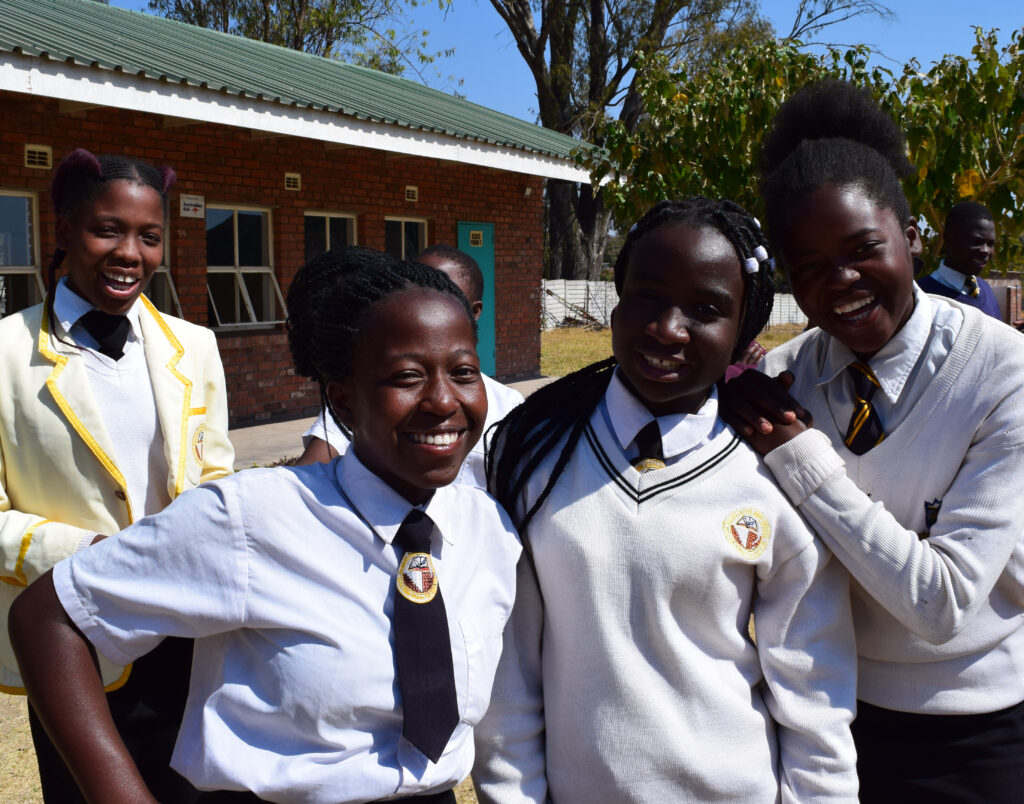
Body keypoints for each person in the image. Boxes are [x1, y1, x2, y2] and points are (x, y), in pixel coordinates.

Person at [10, 252, 521, 803]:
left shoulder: (488, 530)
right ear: (344, 402)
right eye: (406, 377)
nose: (444, 400)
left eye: (463, 372)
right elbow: (50, 617)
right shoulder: (252, 518)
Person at [473, 198, 858, 803]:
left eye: (706, 310)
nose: (666, 328)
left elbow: (814, 689)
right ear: (618, 299)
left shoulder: (772, 472)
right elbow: (509, 675)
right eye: (647, 296)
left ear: (743, 328)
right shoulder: (535, 458)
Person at [723, 80, 1024, 801]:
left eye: (864, 249)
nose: (844, 282)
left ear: (913, 237)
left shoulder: (1000, 372)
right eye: (813, 268)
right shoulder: (785, 379)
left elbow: (941, 604)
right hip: (827, 719)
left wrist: (803, 461)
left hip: (975, 732)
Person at [0, 148, 234, 802]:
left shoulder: (195, 347)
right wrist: (95, 556)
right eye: (108, 229)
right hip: (73, 640)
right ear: (65, 231)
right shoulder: (5, 355)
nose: (130, 252)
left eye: (149, 236)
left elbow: (216, 477)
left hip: (187, 635)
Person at [297, 244, 524, 489]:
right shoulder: (369, 400)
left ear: (474, 312)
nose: (443, 402)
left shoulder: (508, 408)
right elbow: (305, 481)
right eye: (408, 376)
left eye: (446, 291)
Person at [917, 201, 1002, 318]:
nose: (986, 250)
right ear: (948, 238)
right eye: (977, 242)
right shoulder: (923, 296)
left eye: (990, 244)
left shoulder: (985, 289)